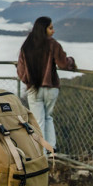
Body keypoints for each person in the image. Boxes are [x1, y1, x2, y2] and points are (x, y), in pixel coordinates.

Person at [16, 16, 76, 152]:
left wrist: (28, 80)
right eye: (51, 28)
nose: (53, 31)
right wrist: (71, 61)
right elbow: (63, 64)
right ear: (43, 29)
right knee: (48, 117)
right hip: (50, 88)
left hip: (34, 89)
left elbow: (20, 70)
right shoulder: (53, 44)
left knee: (38, 121)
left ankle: (40, 153)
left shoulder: (27, 45)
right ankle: (51, 150)